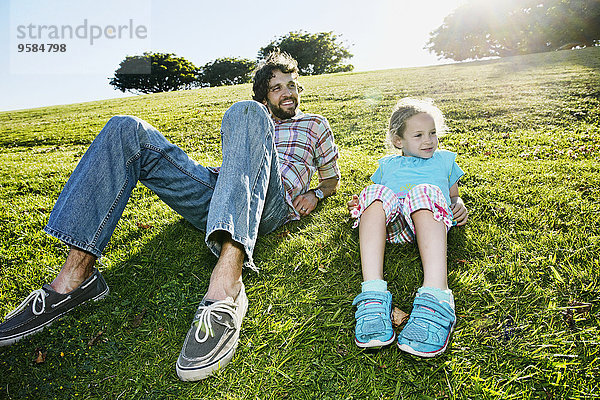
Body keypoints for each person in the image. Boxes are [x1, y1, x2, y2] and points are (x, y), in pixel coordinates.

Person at [0, 51, 340, 381]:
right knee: (126, 128)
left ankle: (226, 290)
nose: (287, 93)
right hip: (221, 191)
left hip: (270, 204)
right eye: (277, 87)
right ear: (266, 94)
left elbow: (332, 179)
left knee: (248, 114)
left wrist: (317, 192)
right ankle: (75, 278)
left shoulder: (314, 124)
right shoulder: (254, 114)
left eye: (292, 85)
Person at [347, 98, 467, 357]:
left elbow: (454, 196)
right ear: (398, 141)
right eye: (419, 135)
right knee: (374, 192)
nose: (429, 140)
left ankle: (437, 294)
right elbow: (379, 202)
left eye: (433, 133)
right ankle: (373, 292)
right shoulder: (387, 165)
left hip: (429, 225)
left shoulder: (444, 161)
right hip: (394, 226)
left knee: (423, 192)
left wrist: (459, 204)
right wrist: (362, 204)